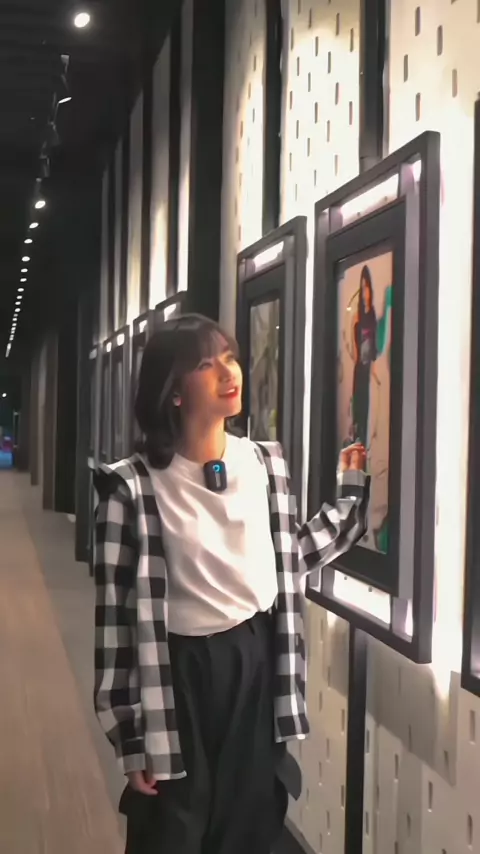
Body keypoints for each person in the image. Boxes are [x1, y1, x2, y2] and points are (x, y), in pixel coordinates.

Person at [93, 313, 369, 854]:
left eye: (230, 357)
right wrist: (129, 736)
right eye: (205, 363)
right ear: (173, 392)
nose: (228, 372)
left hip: (255, 661)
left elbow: (286, 558)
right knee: (172, 829)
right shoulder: (132, 486)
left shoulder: (264, 463)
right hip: (177, 674)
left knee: (249, 826)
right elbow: (116, 625)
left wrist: (352, 497)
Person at [352, 264, 378, 447]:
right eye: (362, 288)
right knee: (358, 412)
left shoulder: (372, 315)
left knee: (368, 411)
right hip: (360, 369)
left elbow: (374, 346)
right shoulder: (358, 316)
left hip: (369, 369)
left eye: (366, 287)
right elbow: (355, 350)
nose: (364, 292)